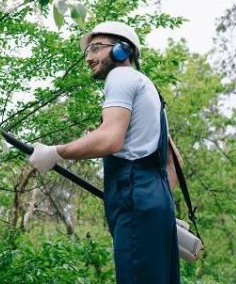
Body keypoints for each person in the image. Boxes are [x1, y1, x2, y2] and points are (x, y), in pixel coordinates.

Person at [28, 22, 180, 284]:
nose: (88, 57)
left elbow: (110, 139)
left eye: (96, 48)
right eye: (87, 50)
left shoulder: (120, 77)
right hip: (155, 202)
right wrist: (157, 205)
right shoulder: (150, 91)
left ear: (123, 50)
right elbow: (174, 163)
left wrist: (55, 152)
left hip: (136, 199)